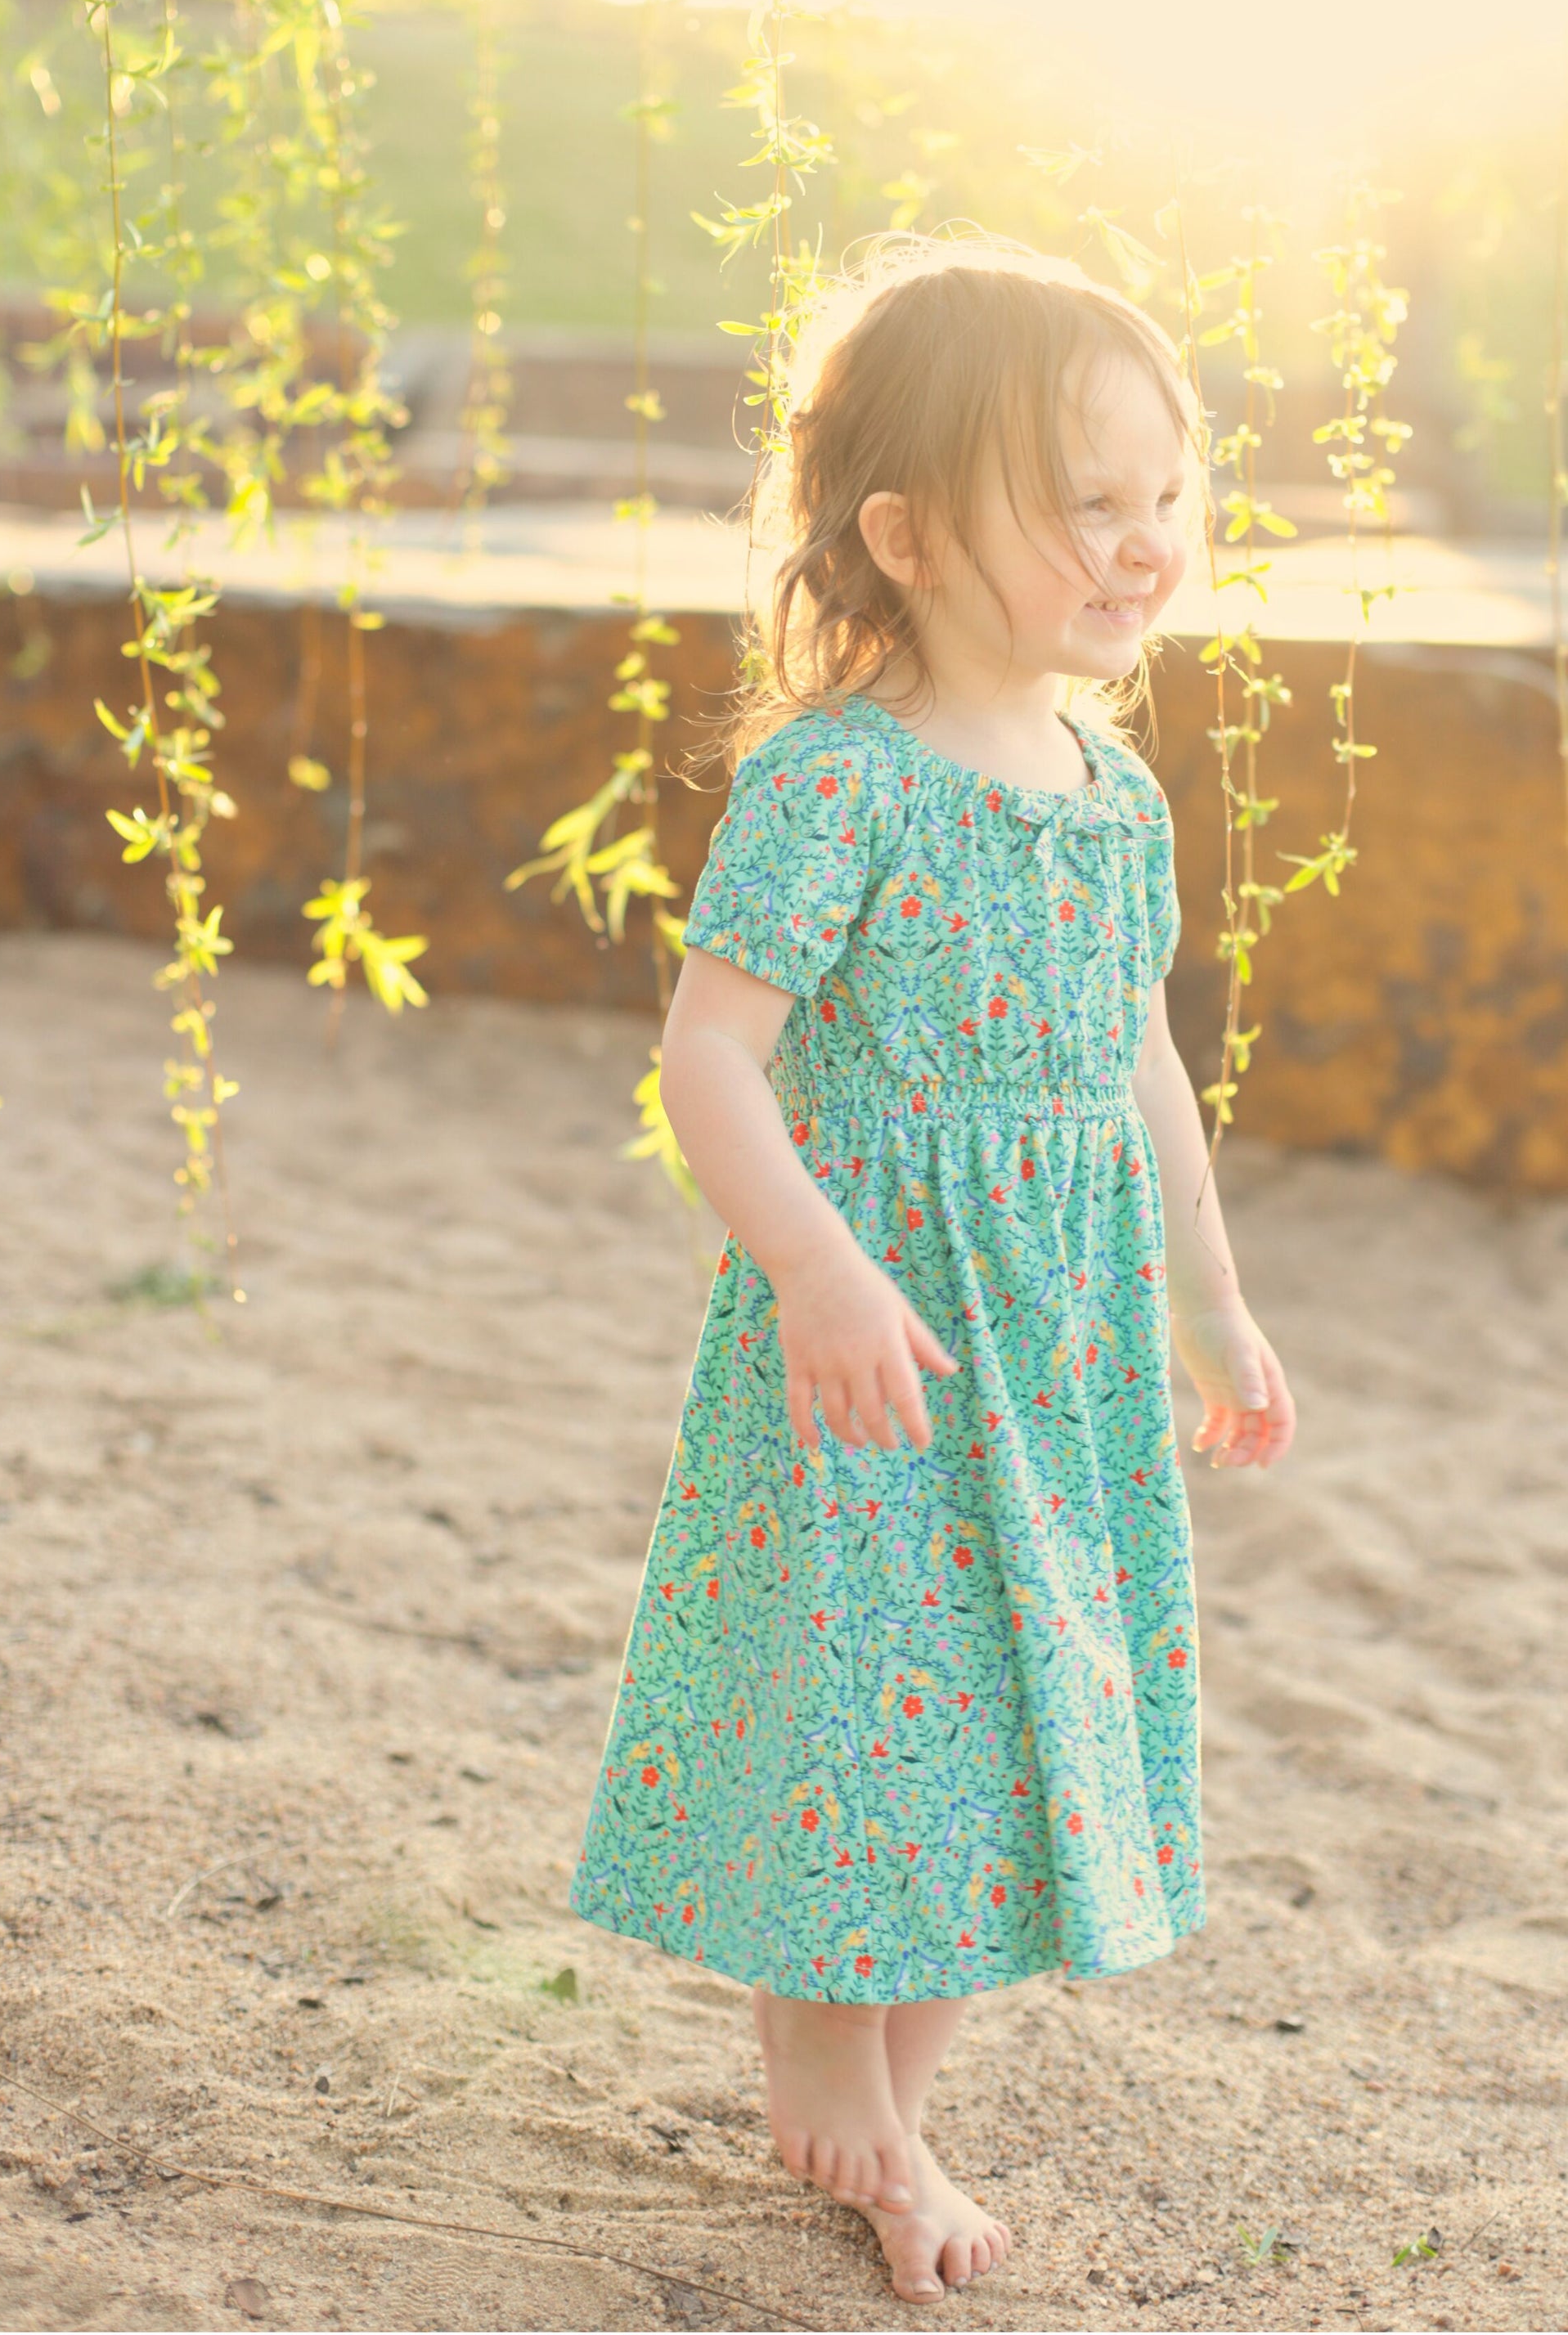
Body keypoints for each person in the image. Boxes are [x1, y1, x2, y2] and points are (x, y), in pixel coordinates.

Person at [568, 231, 1297, 2306]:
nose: (1140, 538)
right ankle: (828, 2064)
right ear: (901, 530)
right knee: (869, 1690)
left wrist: (1213, 1298)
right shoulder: (839, 779)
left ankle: (899, 2087)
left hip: (1058, 1342)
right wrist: (811, 1267)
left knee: (1024, 1705)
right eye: (1085, 498)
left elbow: (1135, 1055)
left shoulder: (1119, 794)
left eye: (1165, 492)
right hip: (885, 1328)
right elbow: (710, 1051)